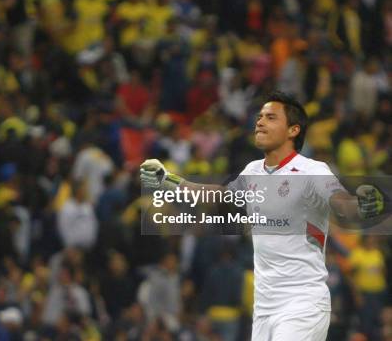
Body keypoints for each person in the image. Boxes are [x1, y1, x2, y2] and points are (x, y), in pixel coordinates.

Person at [140, 90, 386, 341]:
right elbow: (219, 196)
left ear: (293, 130)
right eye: (259, 116)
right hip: (265, 308)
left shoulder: (313, 171)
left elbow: (342, 204)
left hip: (302, 303)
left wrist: (362, 206)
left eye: (271, 117)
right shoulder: (252, 171)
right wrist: (168, 181)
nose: (259, 122)